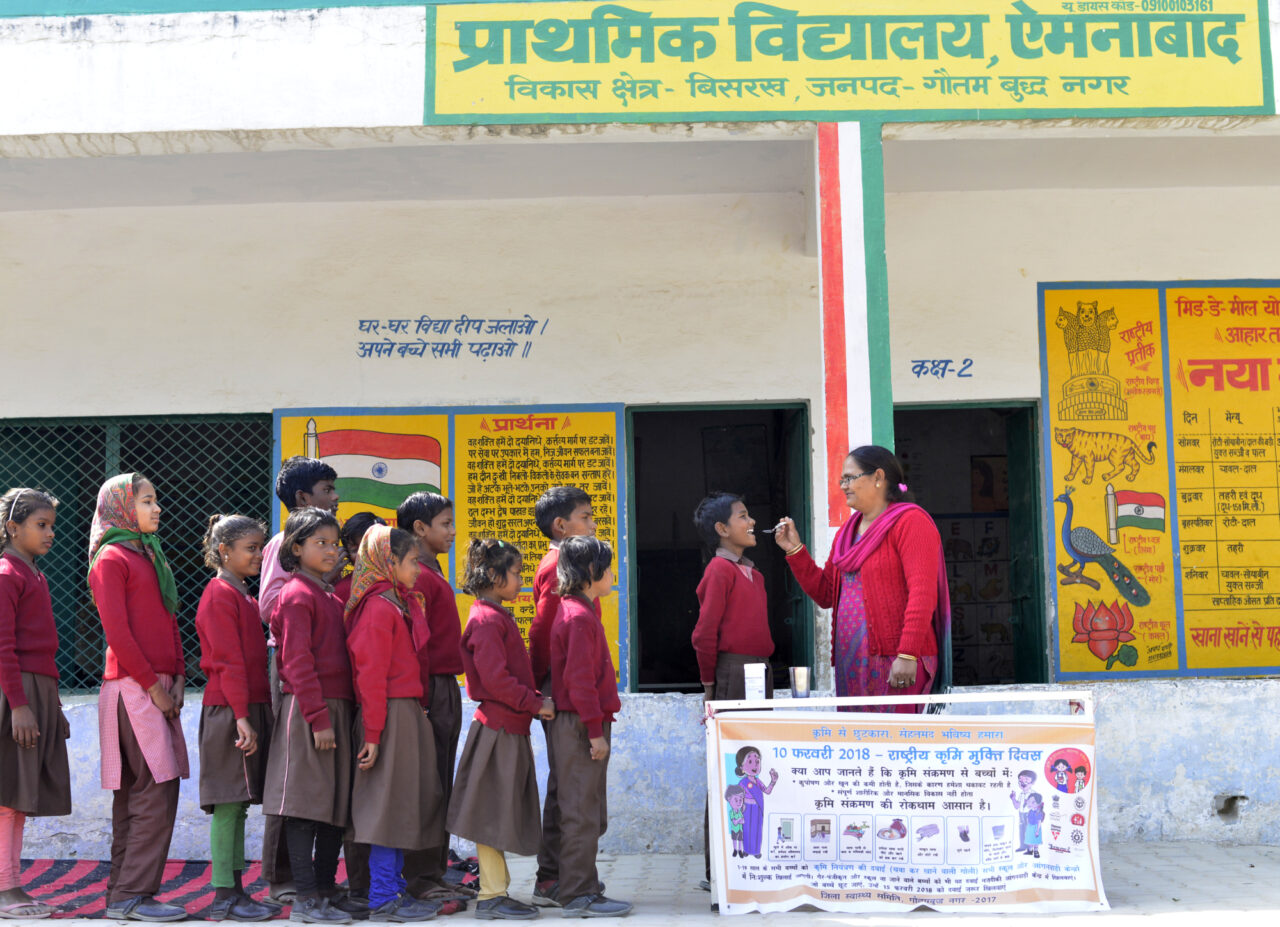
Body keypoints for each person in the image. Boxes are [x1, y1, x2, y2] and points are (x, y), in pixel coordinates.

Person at [773, 445, 950, 711]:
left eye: (850, 477)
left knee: (896, 743)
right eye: (842, 479)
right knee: (859, 744)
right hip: (852, 662)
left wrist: (907, 654)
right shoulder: (847, 532)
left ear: (878, 477)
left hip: (897, 659)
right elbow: (825, 594)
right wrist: (795, 551)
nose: (843, 486)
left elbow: (922, 595)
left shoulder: (911, 522)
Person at [88, 474, 189, 922]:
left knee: (137, 794)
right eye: (147, 501)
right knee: (155, 787)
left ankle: (119, 894)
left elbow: (169, 620)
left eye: (156, 500)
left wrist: (181, 676)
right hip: (134, 687)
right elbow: (118, 635)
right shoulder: (110, 558)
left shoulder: (150, 555)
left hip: (159, 686)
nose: (157, 509)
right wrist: (154, 688)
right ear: (122, 507)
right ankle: (133, 894)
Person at [448, 539, 553, 921]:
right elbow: (496, 681)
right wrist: (535, 702)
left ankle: (497, 890)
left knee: (495, 812)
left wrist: (532, 699)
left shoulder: (494, 614)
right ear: (493, 576)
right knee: (491, 815)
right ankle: (492, 895)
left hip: (508, 728)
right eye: (517, 574)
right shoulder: (487, 620)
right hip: (499, 730)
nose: (522, 582)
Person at [344, 525, 443, 923]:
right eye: (412, 561)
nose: (418, 569)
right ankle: (383, 895)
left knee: (401, 804)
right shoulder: (378, 609)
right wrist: (373, 734)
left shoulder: (396, 603)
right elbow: (371, 677)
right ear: (390, 561)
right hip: (387, 718)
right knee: (386, 807)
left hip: (404, 714)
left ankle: (394, 889)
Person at [261, 508, 355, 925]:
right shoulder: (297, 595)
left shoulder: (329, 595)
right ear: (295, 549)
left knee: (334, 804)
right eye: (321, 543)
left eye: (335, 543)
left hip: (336, 706)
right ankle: (305, 897)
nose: (332, 551)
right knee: (305, 807)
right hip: (310, 709)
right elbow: (297, 663)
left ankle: (325, 887)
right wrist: (318, 719)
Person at [259, 457, 339, 905]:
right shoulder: (284, 552)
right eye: (327, 489)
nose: (335, 497)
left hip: (318, 669)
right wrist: (304, 596)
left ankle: (317, 881)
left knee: (318, 781)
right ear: (304, 498)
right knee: (292, 777)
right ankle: (284, 877)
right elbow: (270, 604)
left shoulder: (321, 571)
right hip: (291, 663)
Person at [194, 514, 278, 922]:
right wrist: (243, 718)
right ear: (224, 551)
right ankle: (224, 895)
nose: (260, 556)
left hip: (245, 709)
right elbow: (226, 663)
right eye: (251, 548)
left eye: (261, 547)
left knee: (240, 804)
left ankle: (236, 890)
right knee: (229, 804)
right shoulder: (219, 595)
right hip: (230, 711)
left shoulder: (243, 595)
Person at [691, 492, 774, 885]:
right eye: (743, 516)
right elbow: (704, 635)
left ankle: (749, 857)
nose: (752, 521)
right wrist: (710, 685)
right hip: (731, 674)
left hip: (760, 674)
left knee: (754, 768)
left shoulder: (754, 574)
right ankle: (719, 868)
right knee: (728, 772)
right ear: (722, 530)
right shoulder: (718, 572)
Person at [548, 537, 630, 919]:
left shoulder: (580, 610)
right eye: (609, 568)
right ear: (592, 572)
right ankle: (577, 892)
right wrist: (595, 732)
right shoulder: (578, 616)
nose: (613, 574)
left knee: (589, 810)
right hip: (580, 726)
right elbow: (580, 682)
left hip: (582, 722)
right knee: (581, 811)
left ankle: (582, 884)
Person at [396, 492, 471, 904]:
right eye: (445, 524)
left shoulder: (430, 570)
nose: (452, 531)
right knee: (429, 784)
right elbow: (418, 646)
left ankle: (434, 871)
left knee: (441, 782)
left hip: (444, 685)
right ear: (420, 529)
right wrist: (422, 701)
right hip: (431, 689)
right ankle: (420, 876)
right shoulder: (419, 576)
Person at [0, 489, 69, 919]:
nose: (49, 533)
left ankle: (11, 883)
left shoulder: (34, 574)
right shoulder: (7, 574)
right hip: (16, 693)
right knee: (8, 794)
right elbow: (3, 647)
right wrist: (20, 705)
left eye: (51, 525)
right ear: (12, 528)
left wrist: (53, 705)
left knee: (20, 796)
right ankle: (6, 889)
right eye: (40, 525)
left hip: (38, 691)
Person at [527, 487, 597, 908]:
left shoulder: (562, 561)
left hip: (564, 685)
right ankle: (562, 880)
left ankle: (552, 876)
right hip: (565, 687)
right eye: (585, 517)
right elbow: (542, 632)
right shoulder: (559, 565)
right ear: (560, 525)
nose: (592, 524)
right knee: (571, 789)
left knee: (563, 787)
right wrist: (542, 688)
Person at [733, 747, 777, 860]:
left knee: (757, 830)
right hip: (746, 809)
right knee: (747, 829)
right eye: (750, 762)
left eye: (757, 761)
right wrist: (740, 807)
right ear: (742, 767)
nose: (755, 765)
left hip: (757, 809)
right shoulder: (743, 782)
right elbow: (739, 796)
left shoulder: (758, 782)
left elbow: (767, 791)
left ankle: (756, 851)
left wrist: (773, 781)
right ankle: (747, 850)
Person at [334, 513, 386, 605]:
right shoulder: (342, 590)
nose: (362, 555)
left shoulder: (402, 582)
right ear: (347, 555)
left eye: (368, 547)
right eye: (354, 550)